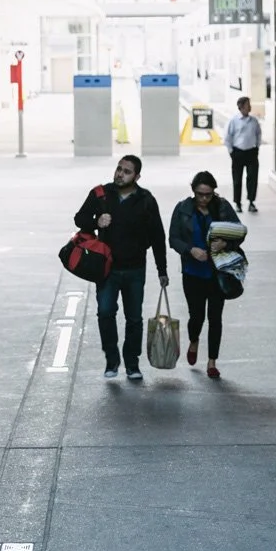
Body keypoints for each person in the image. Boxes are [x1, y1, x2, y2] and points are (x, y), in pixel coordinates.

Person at [73, 155, 169, 381]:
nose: (120, 174)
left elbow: (158, 236)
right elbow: (79, 218)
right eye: (119, 169)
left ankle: (132, 364)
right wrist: (96, 222)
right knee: (105, 313)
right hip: (107, 269)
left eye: (127, 171)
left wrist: (162, 270)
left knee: (134, 318)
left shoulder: (146, 200)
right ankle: (112, 359)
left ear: (137, 176)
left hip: (135, 268)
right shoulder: (101, 194)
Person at [167, 171, 240, 379]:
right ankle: (194, 340)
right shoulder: (183, 209)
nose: (205, 199)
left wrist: (225, 243)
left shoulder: (222, 207)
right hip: (193, 272)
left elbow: (239, 232)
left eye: (209, 194)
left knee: (215, 318)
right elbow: (173, 239)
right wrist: (191, 250)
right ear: (194, 191)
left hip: (218, 272)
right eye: (200, 194)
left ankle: (212, 362)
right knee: (196, 316)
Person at [224, 96, 262, 212]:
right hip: (238, 152)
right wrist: (231, 152)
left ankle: (251, 202)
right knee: (237, 179)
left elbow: (258, 134)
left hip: (251, 152)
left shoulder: (254, 121)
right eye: (247, 105)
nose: (249, 107)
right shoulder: (233, 121)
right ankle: (238, 203)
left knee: (252, 178)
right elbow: (227, 137)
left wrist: (257, 147)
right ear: (241, 107)